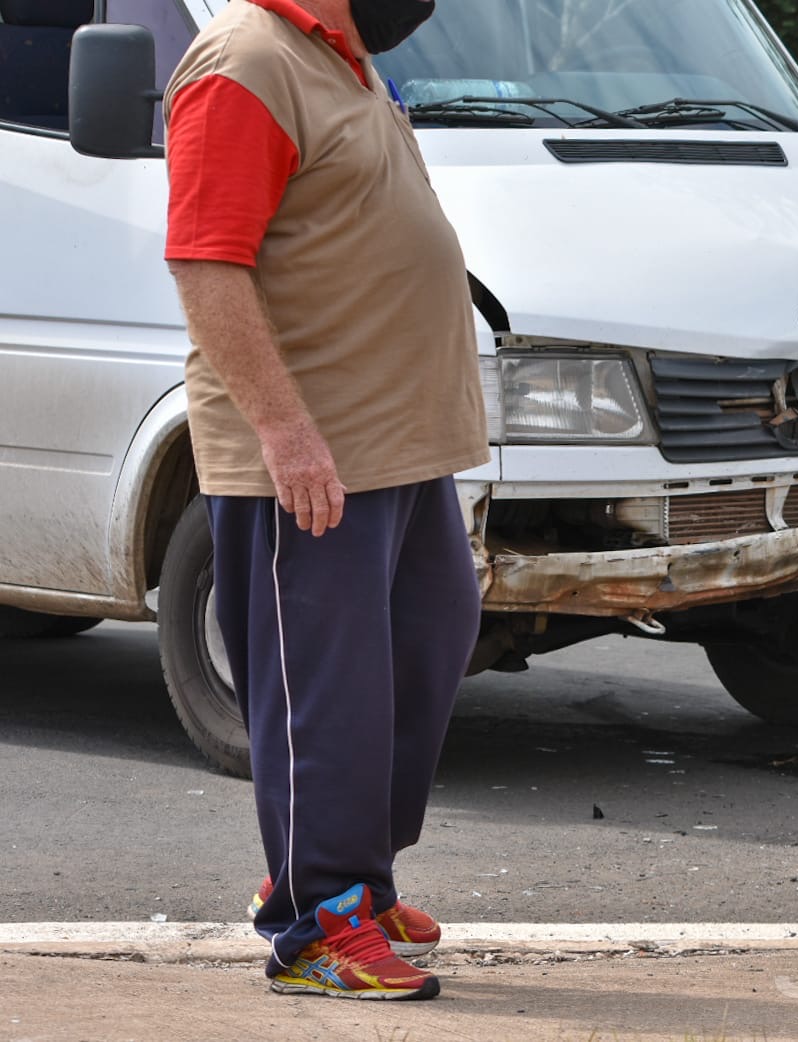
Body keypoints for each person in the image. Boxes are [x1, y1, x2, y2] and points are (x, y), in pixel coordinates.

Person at [162, 0, 488, 1001]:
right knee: (327, 693)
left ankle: (353, 877)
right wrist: (285, 430)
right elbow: (205, 258)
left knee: (429, 640)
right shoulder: (246, 62)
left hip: (395, 443)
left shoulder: (336, 60)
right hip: (313, 452)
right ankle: (319, 923)